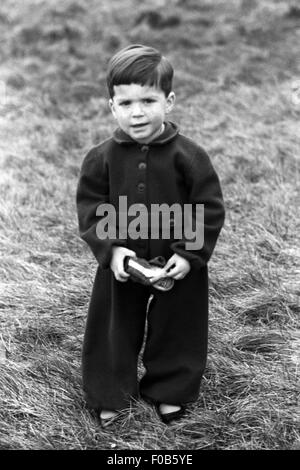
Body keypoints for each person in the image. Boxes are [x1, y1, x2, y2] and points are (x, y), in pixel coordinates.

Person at [76, 44, 225, 426]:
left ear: (169, 100)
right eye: (125, 103)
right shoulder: (100, 157)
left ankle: (170, 389)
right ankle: (111, 392)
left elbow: (207, 207)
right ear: (111, 106)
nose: (137, 112)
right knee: (112, 327)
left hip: (176, 261)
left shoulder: (190, 156)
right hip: (123, 262)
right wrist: (112, 252)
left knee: (179, 326)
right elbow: (92, 208)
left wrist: (189, 254)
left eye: (148, 100)